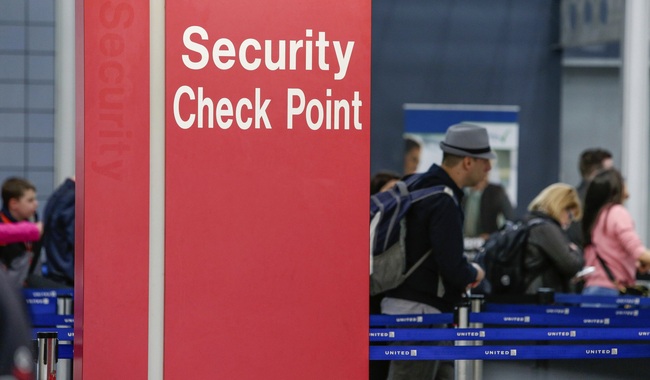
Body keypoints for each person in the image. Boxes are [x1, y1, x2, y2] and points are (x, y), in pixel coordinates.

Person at [381, 123, 487, 380]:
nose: (490, 168)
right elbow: (452, 266)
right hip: (421, 314)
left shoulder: (414, 183)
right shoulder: (443, 199)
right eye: (485, 161)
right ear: (468, 162)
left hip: (399, 304)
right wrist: (475, 271)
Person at [581, 168, 650, 297]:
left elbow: (610, 252)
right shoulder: (617, 212)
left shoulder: (597, 216)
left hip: (592, 290)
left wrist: (635, 264)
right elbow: (638, 251)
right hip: (610, 292)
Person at [522, 183, 585, 294]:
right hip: (541, 301)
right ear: (560, 206)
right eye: (570, 215)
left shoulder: (529, 222)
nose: (569, 222)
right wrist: (575, 251)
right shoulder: (546, 229)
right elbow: (571, 264)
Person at [0, 177, 41, 288]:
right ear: (14, 204)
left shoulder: (34, 224)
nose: (36, 204)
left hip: (29, 284)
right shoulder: (2, 227)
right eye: (30, 200)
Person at [568, 148, 613, 248]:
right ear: (596, 173)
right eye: (610, 172)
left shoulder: (570, 198)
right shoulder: (597, 201)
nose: (614, 176)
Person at [43, 177, 75, 286]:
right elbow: (76, 240)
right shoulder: (73, 198)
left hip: (57, 270)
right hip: (67, 275)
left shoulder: (60, 194)